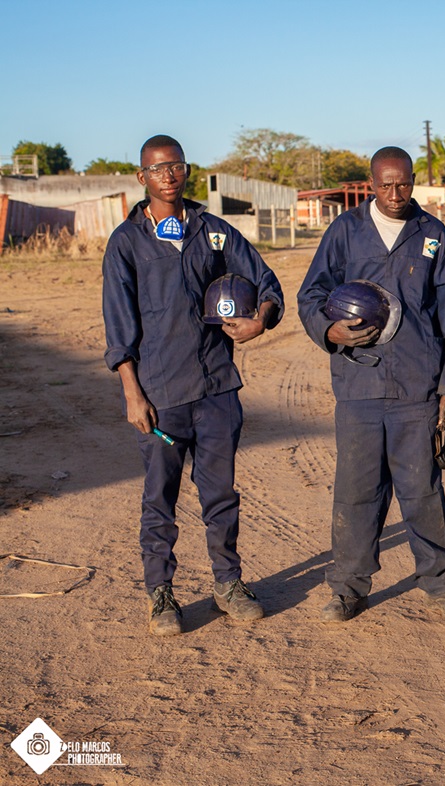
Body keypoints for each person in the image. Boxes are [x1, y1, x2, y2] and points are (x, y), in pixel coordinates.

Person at [102, 134, 283, 636]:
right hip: (160, 395)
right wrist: (131, 391)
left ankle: (228, 584)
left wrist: (260, 320)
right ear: (142, 178)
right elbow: (119, 326)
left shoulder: (215, 233)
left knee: (220, 493)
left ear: (187, 171)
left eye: (176, 166)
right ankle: (161, 594)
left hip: (217, 388)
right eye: (157, 169)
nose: (168, 175)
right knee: (160, 497)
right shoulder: (127, 242)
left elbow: (266, 282)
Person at [298, 147, 445, 623]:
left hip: (416, 384)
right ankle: (348, 589)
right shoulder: (345, 232)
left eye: (404, 184)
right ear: (371, 184)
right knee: (357, 491)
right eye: (385, 185)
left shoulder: (432, 233)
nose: (395, 195)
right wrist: (328, 331)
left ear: (414, 180)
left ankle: (441, 584)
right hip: (359, 384)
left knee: (422, 490)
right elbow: (310, 293)